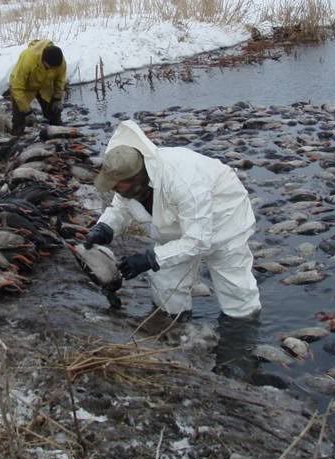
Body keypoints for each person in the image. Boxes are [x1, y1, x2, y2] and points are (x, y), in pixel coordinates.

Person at [84, 120, 262, 318]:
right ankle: (176, 328)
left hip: (225, 218)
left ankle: (241, 334)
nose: (112, 188)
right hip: (178, 225)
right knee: (166, 283)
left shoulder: (183, 182)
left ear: (135, 178)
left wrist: (150, 258)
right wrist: (105, 227)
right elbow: (121, 207)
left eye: (116, 185)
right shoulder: (130, 182)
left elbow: (197, 241)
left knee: (235, 289)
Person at [7, 39, 67, 136]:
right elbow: (17, 87)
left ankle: (58, 132)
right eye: (49, 67)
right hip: (24, 87)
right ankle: (16, 136)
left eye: (54, 69)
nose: (52, 69)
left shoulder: (60, 62)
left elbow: (60, 80)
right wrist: (27, 111)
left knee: (54, 112)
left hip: (45, 85)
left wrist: (57, 98)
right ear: (43, 60)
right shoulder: (28, 58)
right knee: (19, 117)